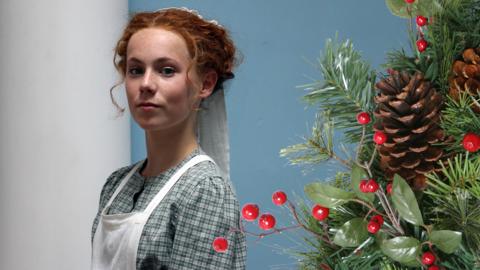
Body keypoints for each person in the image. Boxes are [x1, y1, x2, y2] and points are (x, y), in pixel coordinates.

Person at [91, 7, 246, 270]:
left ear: (205, 84)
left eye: (166, 70)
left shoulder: (203, 190)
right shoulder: (116, 185)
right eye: (136, 70)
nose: (146, 84)